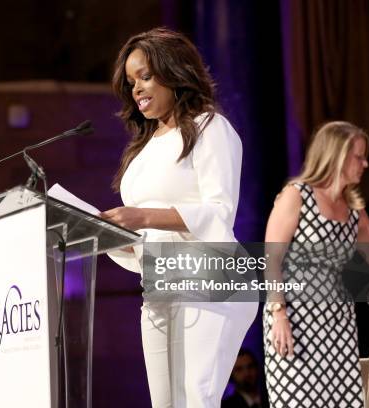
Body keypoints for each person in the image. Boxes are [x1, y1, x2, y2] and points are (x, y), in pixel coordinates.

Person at [100, 27, 257, 408]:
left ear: (174, 71)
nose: (136, 88)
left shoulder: (210, 128)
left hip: (213, 278)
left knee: (195, 399)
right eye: (131, 81)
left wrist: (142, 216)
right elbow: (143, 237)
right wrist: (107, 235)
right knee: (166, 403)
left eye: (146, 76)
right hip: (160, 285)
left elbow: (220, 212)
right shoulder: (143, 148)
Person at [263, 121, 369, 407]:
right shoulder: (297, 195)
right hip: (294, 319)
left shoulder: (354, 211)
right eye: (358, 156)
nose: (366, 163)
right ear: (337, 155)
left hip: (339, 325)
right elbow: (272, 258)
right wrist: (279, 313)